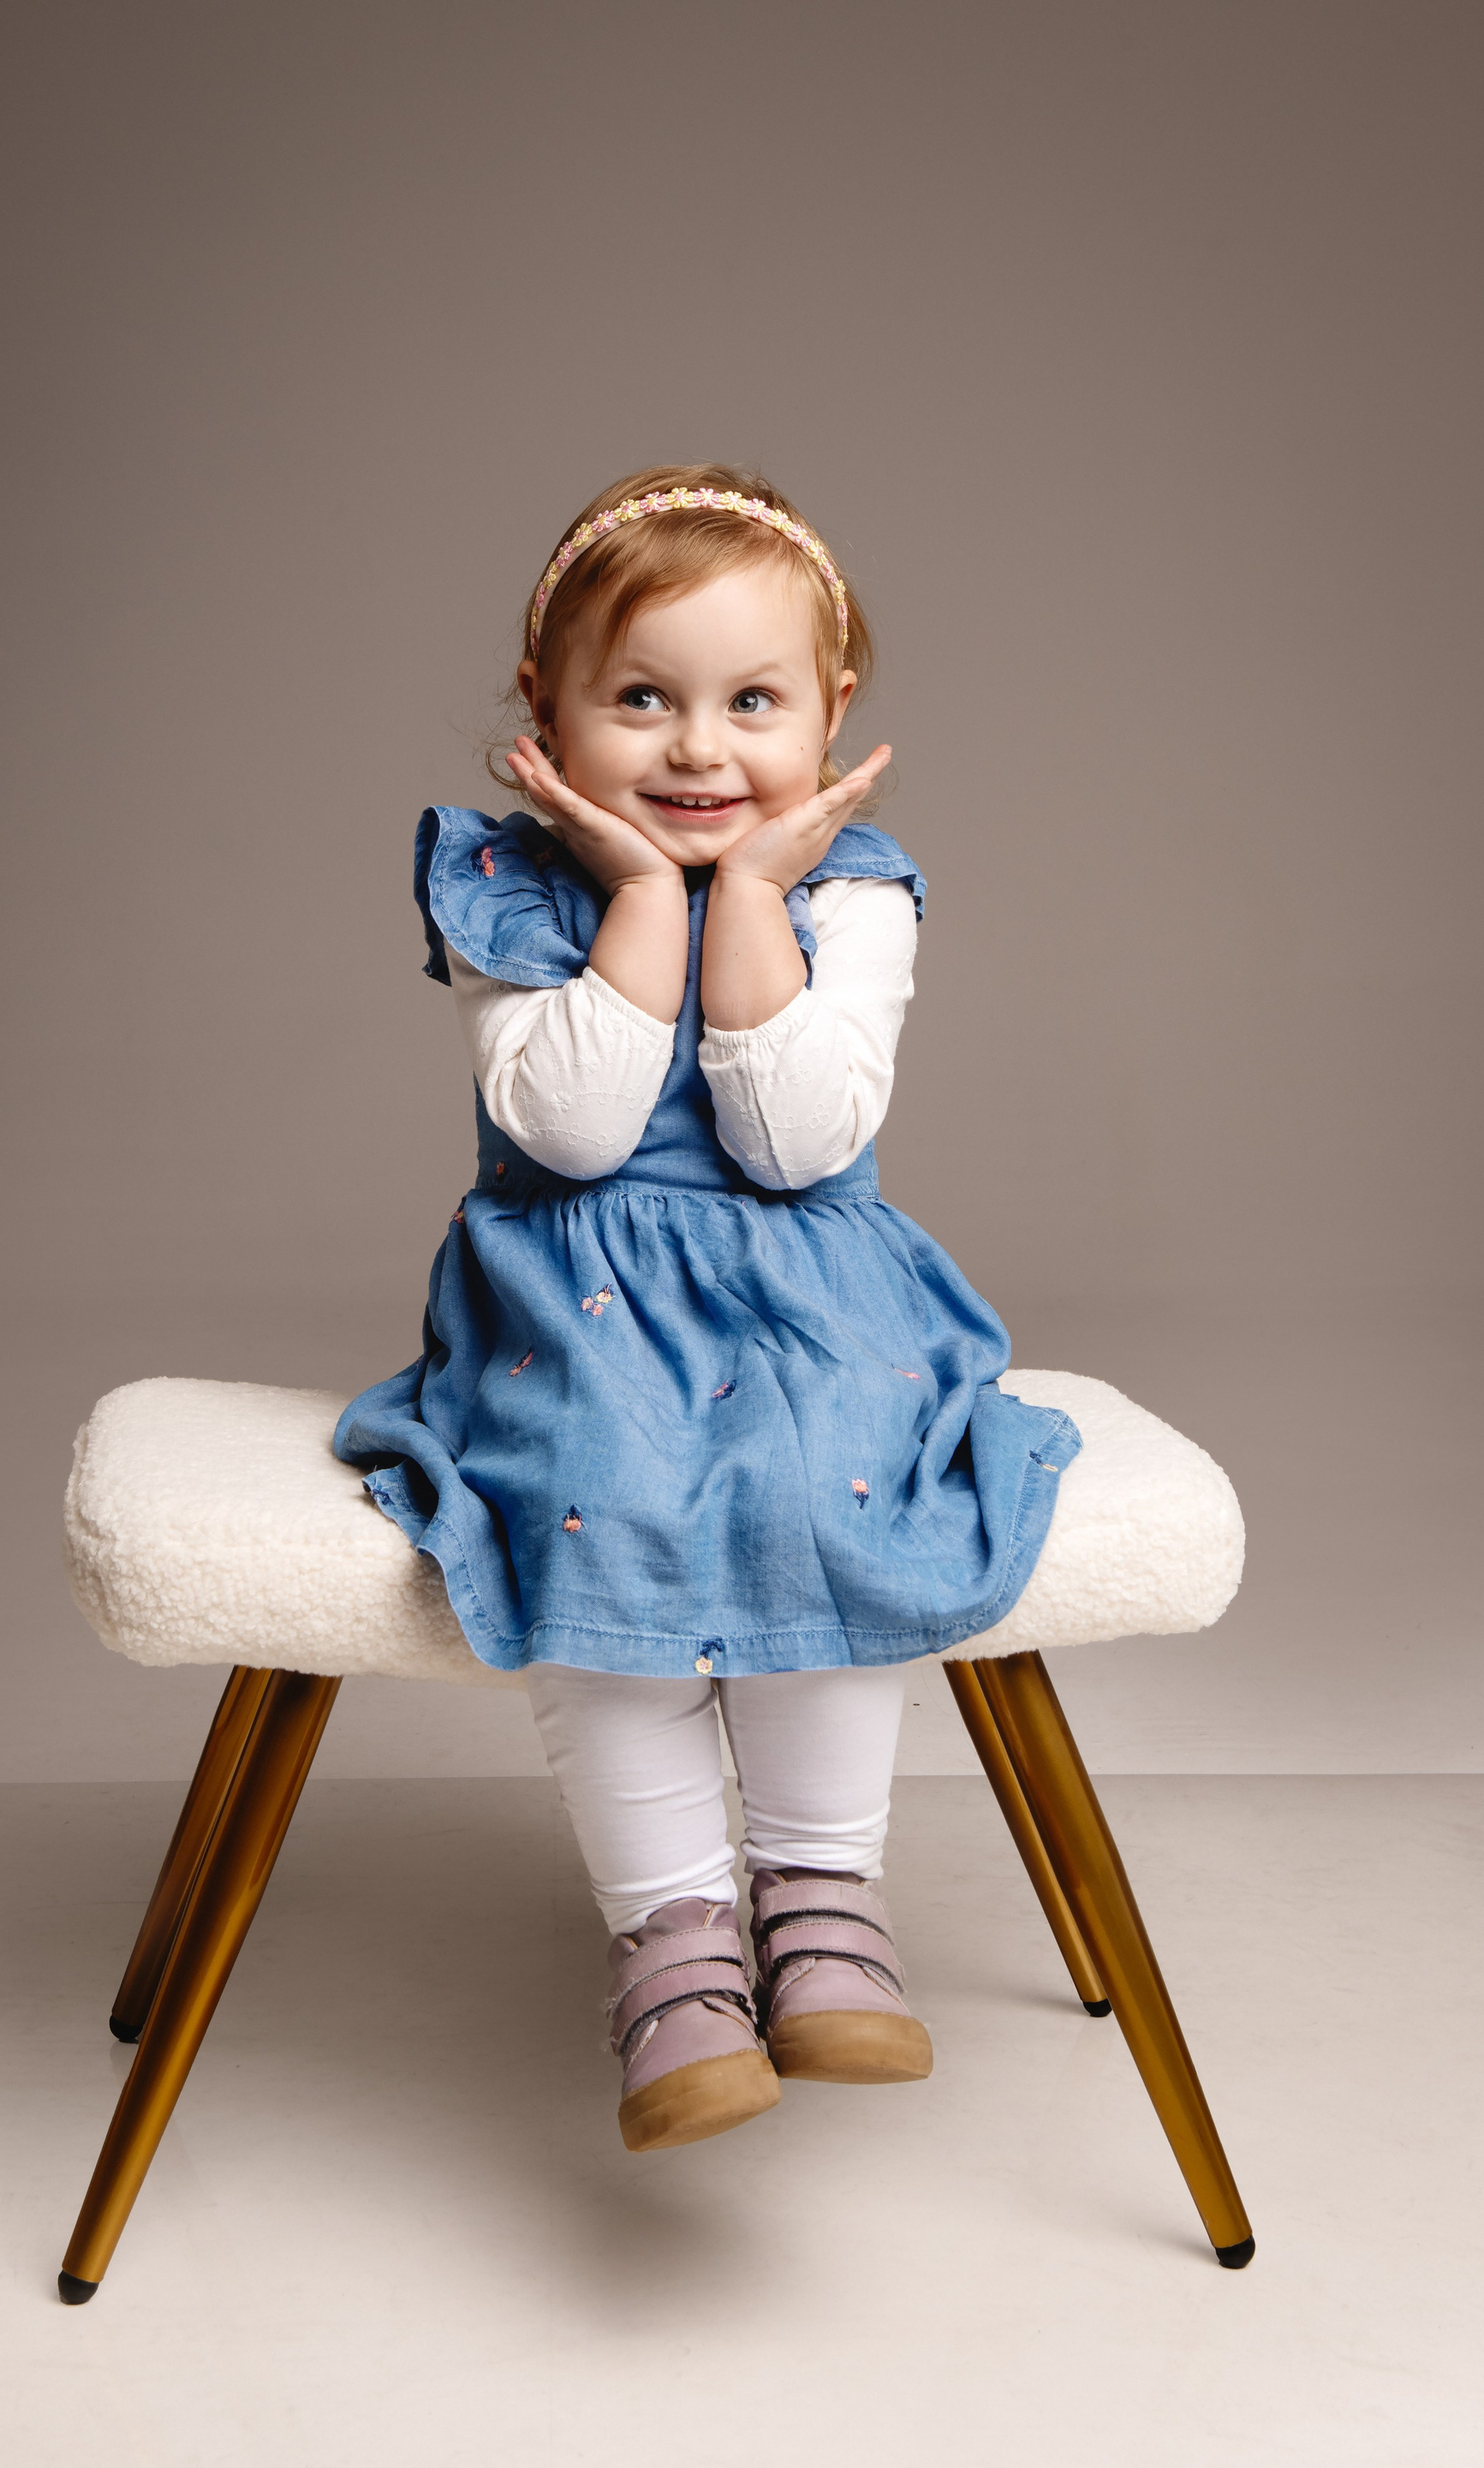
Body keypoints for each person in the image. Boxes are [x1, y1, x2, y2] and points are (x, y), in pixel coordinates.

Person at [335, 465, 1079, 2154]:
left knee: (833, 1493)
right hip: (574, 1299)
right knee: (596, 1498)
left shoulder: (852, 895)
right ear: (545, 709)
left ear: (832, 712)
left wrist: (744, 901)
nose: (698, 750)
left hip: (810, 1296)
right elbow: (574, 1130)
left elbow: (796, 1141)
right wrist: (642, 898)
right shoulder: (506, 891)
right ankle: (671, 1940)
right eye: (640, 700)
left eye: (753, 703)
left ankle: (823, 1903)